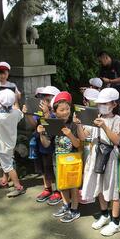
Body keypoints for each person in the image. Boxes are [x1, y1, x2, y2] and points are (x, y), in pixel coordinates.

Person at [81, 88, 120, 236]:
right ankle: (104, 214)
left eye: (105, 103)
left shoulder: (116, 119)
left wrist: (104, 126)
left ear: (114, 104)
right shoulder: (94, 116)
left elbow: (117, 140)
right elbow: (83, 136)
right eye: (99, 103)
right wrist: (79, 124)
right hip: (96, 154)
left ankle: (116, 221)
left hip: (110, 157)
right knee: (99, 185)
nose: (101, 106)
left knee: (113, 188)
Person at [39, 91, 81, 223]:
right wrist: (41, 134)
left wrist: (70, 135)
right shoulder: (53, 124)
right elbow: (46, 144)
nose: (65, 112)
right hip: (58, 159)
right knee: (62, 185)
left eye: (67, 109)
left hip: (72, 160)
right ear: (55, 112)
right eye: (62, 110)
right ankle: (66, 205)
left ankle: (74, 209)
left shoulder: (73, 125)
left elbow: (78, 144)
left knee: (73, 186)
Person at [23, 86, 61, 203]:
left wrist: (46, 113)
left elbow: (51, 126)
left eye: (48, 100)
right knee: (44, 168)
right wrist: (27, 114)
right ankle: (47, 188)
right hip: (41, 143)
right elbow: (34, 124)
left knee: (55, 169)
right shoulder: (39, 111)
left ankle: (58, 190)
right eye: (43, 99)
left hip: (53, 146)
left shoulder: (56, 113)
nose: (45, 102)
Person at [0, 89, 25, 197]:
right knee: (7, 163)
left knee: (8, 166)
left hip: (2, 147)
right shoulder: (15, 113)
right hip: (11, 144)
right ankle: (4, 180)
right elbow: (18, 109)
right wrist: (16, 98)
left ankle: (18, 187)